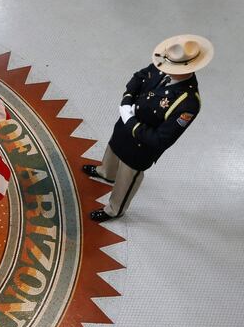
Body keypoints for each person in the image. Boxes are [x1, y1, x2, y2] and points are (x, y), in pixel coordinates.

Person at [82, 35, 212, 222]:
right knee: (113, 150)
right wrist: (127, 100)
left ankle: (115, 209)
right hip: (124, 127)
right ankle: (106, 173)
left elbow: (162, 140)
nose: (164, 69)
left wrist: (131, 122)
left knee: (127, 178)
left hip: (141, 147)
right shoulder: (164, 63)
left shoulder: (188, 103)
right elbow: (139, 77)